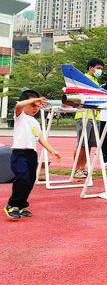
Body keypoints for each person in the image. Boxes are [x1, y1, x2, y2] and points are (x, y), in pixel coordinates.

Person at [4, 90, 61, 220]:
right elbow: (18, 105)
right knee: (22, 178)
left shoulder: (35, 122)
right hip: (19, 153)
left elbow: (41, 139)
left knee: (30, 181)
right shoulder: (20, 116)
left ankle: (21, 204)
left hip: (31, 154)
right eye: (32, 105)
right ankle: (12, 204)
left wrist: (52, 151)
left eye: (37, 106)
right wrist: (33, 100)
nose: (35, 108)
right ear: (25, 104)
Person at [73, 58, 104, 179]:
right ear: (90, 68)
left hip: (95, 116)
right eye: (98, 68)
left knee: (89, 144)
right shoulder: (83, 79)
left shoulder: (96, 81)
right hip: (84, 115)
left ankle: (83, 167)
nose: (99, 71)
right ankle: (76, 169)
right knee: (81, 144)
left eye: (101, 69)